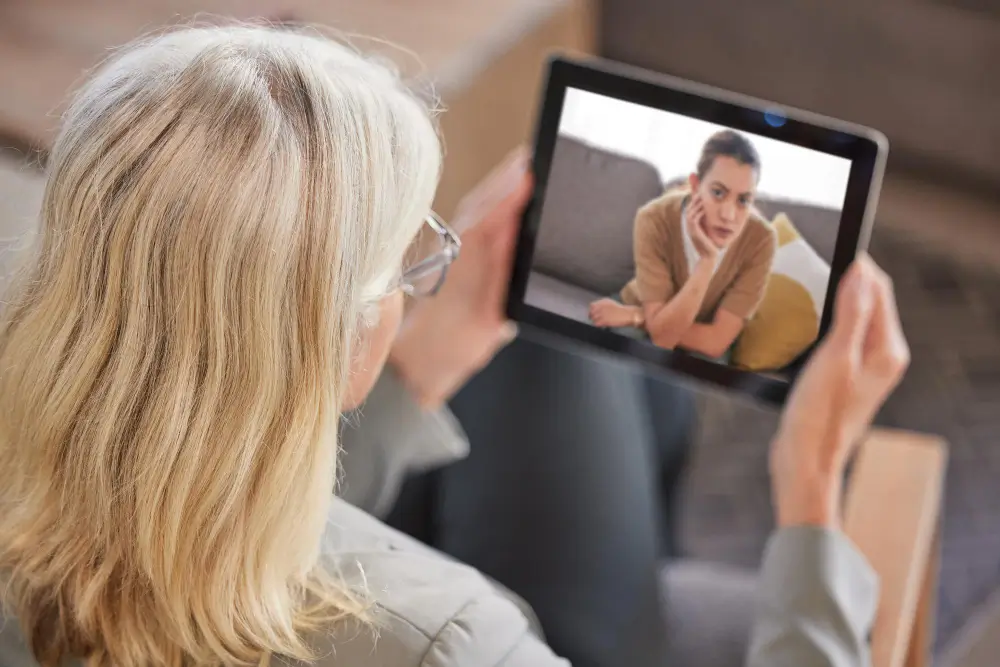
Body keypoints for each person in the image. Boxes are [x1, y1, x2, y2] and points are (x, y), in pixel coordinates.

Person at [0, 23, 909, 667]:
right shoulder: (458, 640)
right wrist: (813, 491)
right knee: (572, 362)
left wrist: (419, 366)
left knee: (574, 358)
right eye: (409, 257)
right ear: (351, 339)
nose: (423, 272)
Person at [589, 130, 777, 360]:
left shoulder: (762, 240)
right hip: (645, 304)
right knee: (629, 354)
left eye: (743, 200)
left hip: (690, 328)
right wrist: (706, 264)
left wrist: (635, 317)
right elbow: (662, 339)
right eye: (718, 193)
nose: (729, 215)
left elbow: (716, 341)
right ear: (695, 185)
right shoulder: (654, 218)